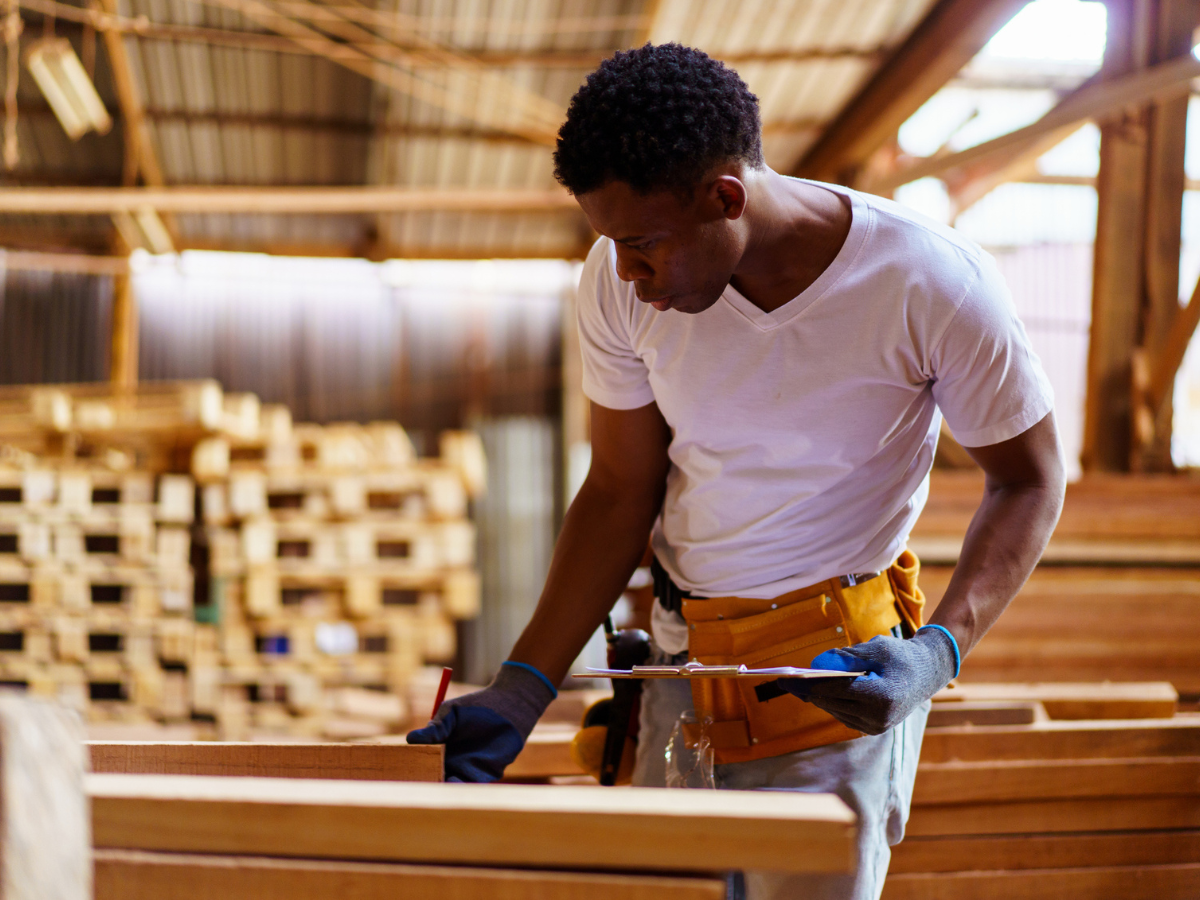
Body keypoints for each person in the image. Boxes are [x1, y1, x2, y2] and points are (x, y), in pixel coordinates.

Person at [409, 43, 1066, 900]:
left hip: (834, 690)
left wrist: (939, 651)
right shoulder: (616, 282)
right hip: (685, 670)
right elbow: (617, 492)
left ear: (726, 197)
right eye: (612, 245)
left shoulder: (930, 283)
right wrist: (525, 685)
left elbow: (1029, 479)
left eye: (644, 246)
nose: (629, 276)